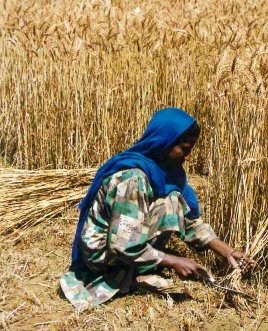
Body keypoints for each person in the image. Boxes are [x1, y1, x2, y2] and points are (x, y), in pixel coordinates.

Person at [60, 108, 254, 312]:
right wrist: (172, 261)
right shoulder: (132, 178)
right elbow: (123, 245)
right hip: (103, 254)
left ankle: (136, 269)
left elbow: (187, 218)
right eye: (184, 149)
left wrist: (227, 251)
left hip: (123, 242)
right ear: (165, 142)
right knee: (168, 203)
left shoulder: (167, 172)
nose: (188, 158)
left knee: (172, 200)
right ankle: (129, 277)